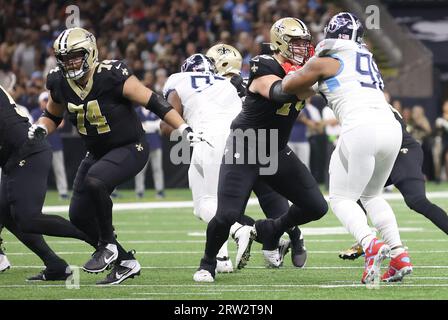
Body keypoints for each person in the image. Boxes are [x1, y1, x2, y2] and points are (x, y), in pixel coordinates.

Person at [28, 27, 203, 285]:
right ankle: (125, 262)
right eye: (64, 58)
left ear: (90, 53)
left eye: (75, 55)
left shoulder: (111, 75)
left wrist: (183, 127)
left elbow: (153, 101)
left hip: (131, 146)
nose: (70, 62)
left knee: (97, 180)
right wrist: (43, 127)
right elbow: (52, 115)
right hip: (96, 153)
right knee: (78, 216)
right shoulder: (58, 81)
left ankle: (107, 244)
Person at [193, 18, 328, 283]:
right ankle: (207, 263)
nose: (302, 47)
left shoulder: (305, 69)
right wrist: (317, 83)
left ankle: (270, 229)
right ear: (280, 42)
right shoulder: (263, 63)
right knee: (227, 215)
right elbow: (278, 92)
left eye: (304, 42)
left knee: (316, 206)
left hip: (274, 150)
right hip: (244, 147)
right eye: (295, 42)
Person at [282, 12, 413, 285]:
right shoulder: (366, 58)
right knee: (372, 195)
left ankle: (370, 244)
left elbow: (289, 86)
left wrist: (295, 71)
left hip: (361, 127)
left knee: (341, 198)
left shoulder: (327, 60)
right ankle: (399, 255)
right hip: (390, 127)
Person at [206, 43, 307, 269]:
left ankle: (294, 237)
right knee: (229, 211)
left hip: (257, 149)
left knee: (276, 209)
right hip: (236, 153)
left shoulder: (242, 82)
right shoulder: (221, 85)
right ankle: (269, 241)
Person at [339, 104, 448, 276]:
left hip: (401, 152)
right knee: (355, 190)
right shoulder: (359, 100)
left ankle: (378, 246)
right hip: (385, 156)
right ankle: (372, 243)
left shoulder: (368, 104)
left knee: (417, 201)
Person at [0, 85, 92, 281]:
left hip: (26, 150)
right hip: (12, 156)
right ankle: (55, 265)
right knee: (5, 213)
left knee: (28, 218)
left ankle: (99, 238)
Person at [31, 91, 69, 200]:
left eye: (47, 100)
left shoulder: (56, 110)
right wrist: (49, 123)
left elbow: (61, 124)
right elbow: (33, 125)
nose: (46, 102)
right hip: (40, 147)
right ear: (40, 102)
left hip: (55, 145)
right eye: (44, 100)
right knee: (38, 171)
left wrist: (47, 123)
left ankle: (63, 193)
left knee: (59, 169)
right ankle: (36, 193)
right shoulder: (35, 112)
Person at [134, 107, 165, 199]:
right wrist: (150, 126)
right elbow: (136, 126)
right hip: (142, 145)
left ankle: (160, 191)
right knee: (140, 170)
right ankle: (139, 191)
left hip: (155, 144)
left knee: (157, 169)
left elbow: (160, 124)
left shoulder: (154, 110)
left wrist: (147, 125)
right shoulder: (137, 112)